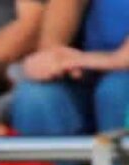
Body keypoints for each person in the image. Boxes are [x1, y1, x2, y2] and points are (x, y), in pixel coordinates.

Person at [11, 0, 129, 136]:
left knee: (115, 91)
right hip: (86, 70)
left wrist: (94, 61)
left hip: (114, 74)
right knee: (36, 96)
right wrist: (52, 56)